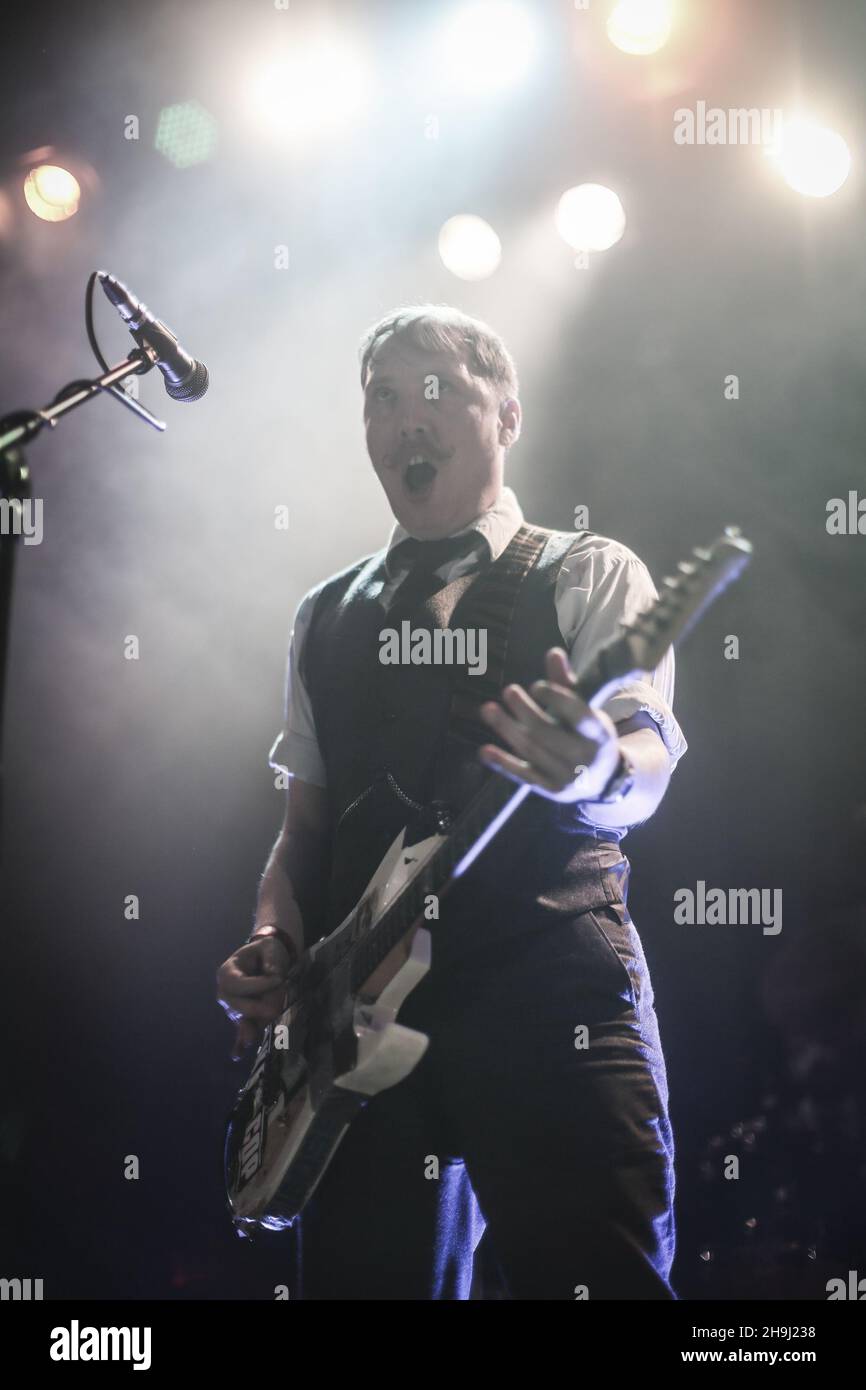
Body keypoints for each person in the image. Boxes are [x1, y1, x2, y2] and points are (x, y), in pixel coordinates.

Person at [216, 304, 687, 1300]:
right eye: (381, 400)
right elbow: (302, 830)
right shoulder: (321, 615)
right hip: (356, 1036)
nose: (403, 420)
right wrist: (271, 940)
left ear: (506, 415)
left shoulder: (588, 569)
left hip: (547, 987)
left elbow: (647, 756)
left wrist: (595, 767)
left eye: (434, 391)